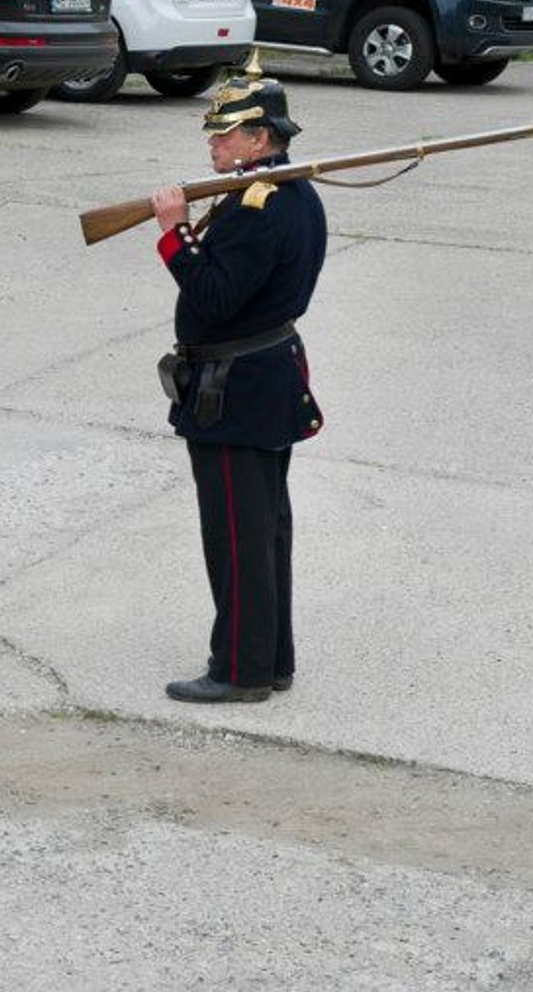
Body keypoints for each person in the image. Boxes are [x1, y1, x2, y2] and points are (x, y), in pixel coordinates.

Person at [147, 73, 326, 704]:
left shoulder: (259, 206)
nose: (214, 146)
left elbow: (216, 296)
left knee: (238, 536)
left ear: (258, 138)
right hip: (264, 376)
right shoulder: (285, 192)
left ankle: (241, 671)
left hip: (238, 390)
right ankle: (270, 659)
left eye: (225, 135)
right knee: (265, 529)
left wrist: (175, 233)